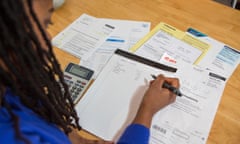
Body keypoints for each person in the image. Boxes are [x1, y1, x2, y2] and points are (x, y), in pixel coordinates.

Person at [0, 0, 179, 144]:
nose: (49, 38)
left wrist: (75, 139)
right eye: (44, 25)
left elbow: (33, 113)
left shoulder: (10, 85)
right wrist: (147, 111)